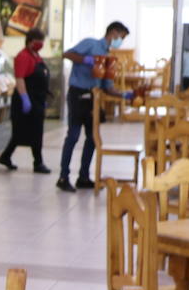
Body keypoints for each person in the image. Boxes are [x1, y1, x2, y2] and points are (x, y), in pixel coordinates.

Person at [56, 20, 132, 192]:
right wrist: (85, 60)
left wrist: (124, 94)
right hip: (77, 94)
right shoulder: (90, 44)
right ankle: (63, 176)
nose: (121, 42)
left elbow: (108, 87)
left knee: (92, 138)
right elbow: (67, 54)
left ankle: (83, 177)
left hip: (93, 98)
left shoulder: (109, 58)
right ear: (113, 33)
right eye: (121, 37)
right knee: (73, 136)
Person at [0, 28, 51, 173]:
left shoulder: (36, 56)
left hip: (37, 99)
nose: (41, 44)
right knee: (32, 132)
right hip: (26, 99)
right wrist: (25, 99)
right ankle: (38, 163)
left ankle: (5, 156)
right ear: (31, 41)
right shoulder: (23, 56)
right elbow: (20, 79)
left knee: (24, 132)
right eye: (38, 41)